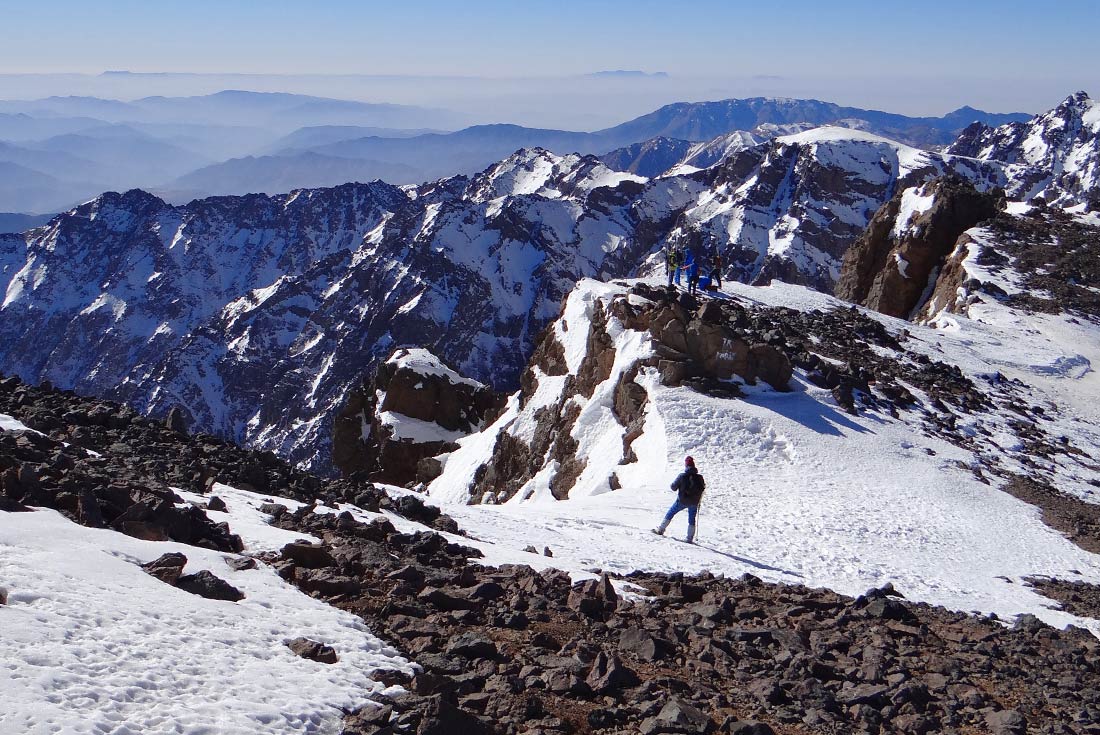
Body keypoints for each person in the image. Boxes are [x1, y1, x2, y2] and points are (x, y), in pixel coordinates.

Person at [653, 456, 705, 543]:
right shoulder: (700, 477)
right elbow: (702, 488)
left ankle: (661, 529)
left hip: (682, 501)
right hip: (694, 502)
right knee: (692, 519)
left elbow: (673, 487)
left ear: (686, 466)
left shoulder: (682, 476)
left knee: (671, 512)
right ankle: (689, 539)